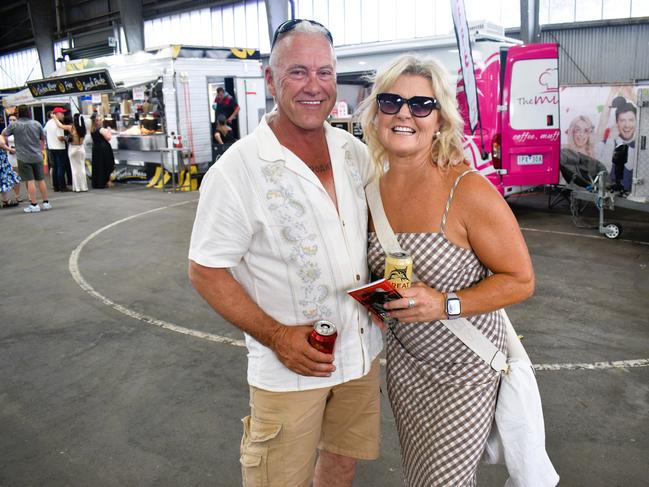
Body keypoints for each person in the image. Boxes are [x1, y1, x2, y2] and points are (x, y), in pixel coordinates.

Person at [188, 19, 381, 487]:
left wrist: (382, 303)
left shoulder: (354, 154)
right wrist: (276, 336)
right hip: (290, 368)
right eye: (297, 72)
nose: (314, 87)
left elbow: (372, 243)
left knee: (341, 462)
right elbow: (206, 270)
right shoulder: (238, 170)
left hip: (360, 355)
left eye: (325, 72)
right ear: (270, 79)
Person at [357, 54, 535, 486]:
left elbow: (521, 280)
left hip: (464, 371)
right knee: (421, 478)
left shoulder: (467, 189)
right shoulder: (371, 190)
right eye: (391, 101)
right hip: (406, 366)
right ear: (376, 112)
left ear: (439, 120)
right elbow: (398, 272)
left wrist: (445, 303)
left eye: (421, 105)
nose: (404, 113)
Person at [0, 105, 51, 213]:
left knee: (30, 181)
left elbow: (4, 134)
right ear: (29, 112)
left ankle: (34, 204)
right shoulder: (36, 124)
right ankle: (46, 202)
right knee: (41, 179)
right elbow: (43, 137)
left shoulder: (14, 125)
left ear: (18, 113)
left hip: (23, 156)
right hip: (37, 155)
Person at [595, 93, 637, 193]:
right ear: (617, 122)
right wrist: (610, 141)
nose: (627, 125)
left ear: (636, 121)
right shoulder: (603, 145)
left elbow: (630, 166)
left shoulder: (639, 147)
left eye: (631, 120)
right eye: (622, 120)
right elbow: (605, 170)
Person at [53, 113, 89, 192]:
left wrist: (54, 118)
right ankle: (84, 186)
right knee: (82, 168)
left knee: (74, 169)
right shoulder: (83, 129)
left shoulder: (71, 127)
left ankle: (77, 188)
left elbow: (60, 125)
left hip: (73, 148)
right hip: (81, 148)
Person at [44, 107, 70, 192]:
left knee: (54, 167)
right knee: (60, 167)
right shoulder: (58, 123)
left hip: (51, 147)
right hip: (59, 147)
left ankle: (56, 186)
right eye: (62, 113)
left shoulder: (48, 123)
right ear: (56, 114)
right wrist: (67, 138)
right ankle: (62, 186)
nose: (63, 115)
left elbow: (44, 132)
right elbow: (60, 137)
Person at [90, 114, 115, 189]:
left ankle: (98, 182)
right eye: (99, 120)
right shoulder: (101, 129)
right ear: (96, 122)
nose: (100, 121)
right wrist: (109, 131)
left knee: (98, 166)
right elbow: (109, 137)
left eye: (101, 120)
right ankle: (107, 181)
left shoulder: (92, 130)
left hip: (96, 149)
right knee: (106, 165)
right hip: (104, 149)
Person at [6, 114, 23, 201]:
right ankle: (15, 195)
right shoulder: (6, 130)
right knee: (12, 176)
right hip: (10, 155)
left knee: (18, 176)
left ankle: (18, 195)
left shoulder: (20, 129)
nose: (11, 121)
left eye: (14, 119)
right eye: (10, 119)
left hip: (20, 154)